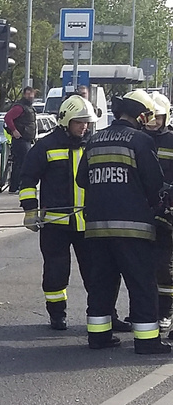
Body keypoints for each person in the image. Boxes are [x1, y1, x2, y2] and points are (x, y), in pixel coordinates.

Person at [19, 95, 129, 331]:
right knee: (56, 273)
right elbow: (28, 179)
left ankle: (108, 315)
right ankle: (57, 314)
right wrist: (30, 210)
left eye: (87, 122)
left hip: (90, 224)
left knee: (98, 274)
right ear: (66, 121)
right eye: (79, 122)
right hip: (56, 224)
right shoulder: (45, 146)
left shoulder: (94, 144)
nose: (84, 127)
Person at [76, 89, 169, 354]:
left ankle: (98, 336)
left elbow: (82, 179)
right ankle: (147, 341)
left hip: (96, 227)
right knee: (141, 283)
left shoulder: (94, 140)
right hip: (133, 228)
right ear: (140, 115)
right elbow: (154, 183)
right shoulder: (140, 141)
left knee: (102, 283)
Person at [144, 92, 173, 332]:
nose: (153, 122)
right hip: (140, 213)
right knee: (140, 267)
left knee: (164, 267)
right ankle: (145, 312)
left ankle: (165, 312)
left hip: (167, 216)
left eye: (157, 117)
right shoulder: (138, 140)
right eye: (149, 117)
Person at [5, 86, 38, 194]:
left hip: (26, 139)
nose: (30, 96)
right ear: (24, 95)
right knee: (22, 163)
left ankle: (15, 186)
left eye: (31, 94)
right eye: (28, 94)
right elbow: (8, 117)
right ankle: (17, 186)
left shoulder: (29, 107)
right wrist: (14, 130)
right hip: (21, 141)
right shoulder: (20, 107)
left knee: (20, 163)